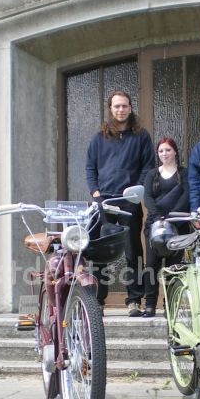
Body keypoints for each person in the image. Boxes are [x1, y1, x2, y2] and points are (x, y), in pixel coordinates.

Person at [85, 90, 155, 316]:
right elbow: (90, 168)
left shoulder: (141, 136)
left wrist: (135, 190)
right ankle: (98, 300)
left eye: (124, 106)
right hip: (103, 202)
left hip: (128, 201)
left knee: (132, 251)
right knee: (99, 252)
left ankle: (134, 300)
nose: (121, 110)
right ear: (110, 109)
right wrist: (95, 193)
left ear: (130, 108)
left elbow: (148, 167)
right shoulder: (99, 138)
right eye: (116, 106)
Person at [142, 137, 189, 318]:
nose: (164, 154)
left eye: (168, 150)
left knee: (173, 267)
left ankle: (170, 305)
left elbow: (186, 195)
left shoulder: (183, 173)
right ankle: (150, 305)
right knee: (152, 266)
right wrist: (158, 217)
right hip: (154, 225)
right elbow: (147, 198)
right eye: (161, 151)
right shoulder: (151, 174)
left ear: (175, 152)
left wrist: (171, 217)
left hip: (178, 226)